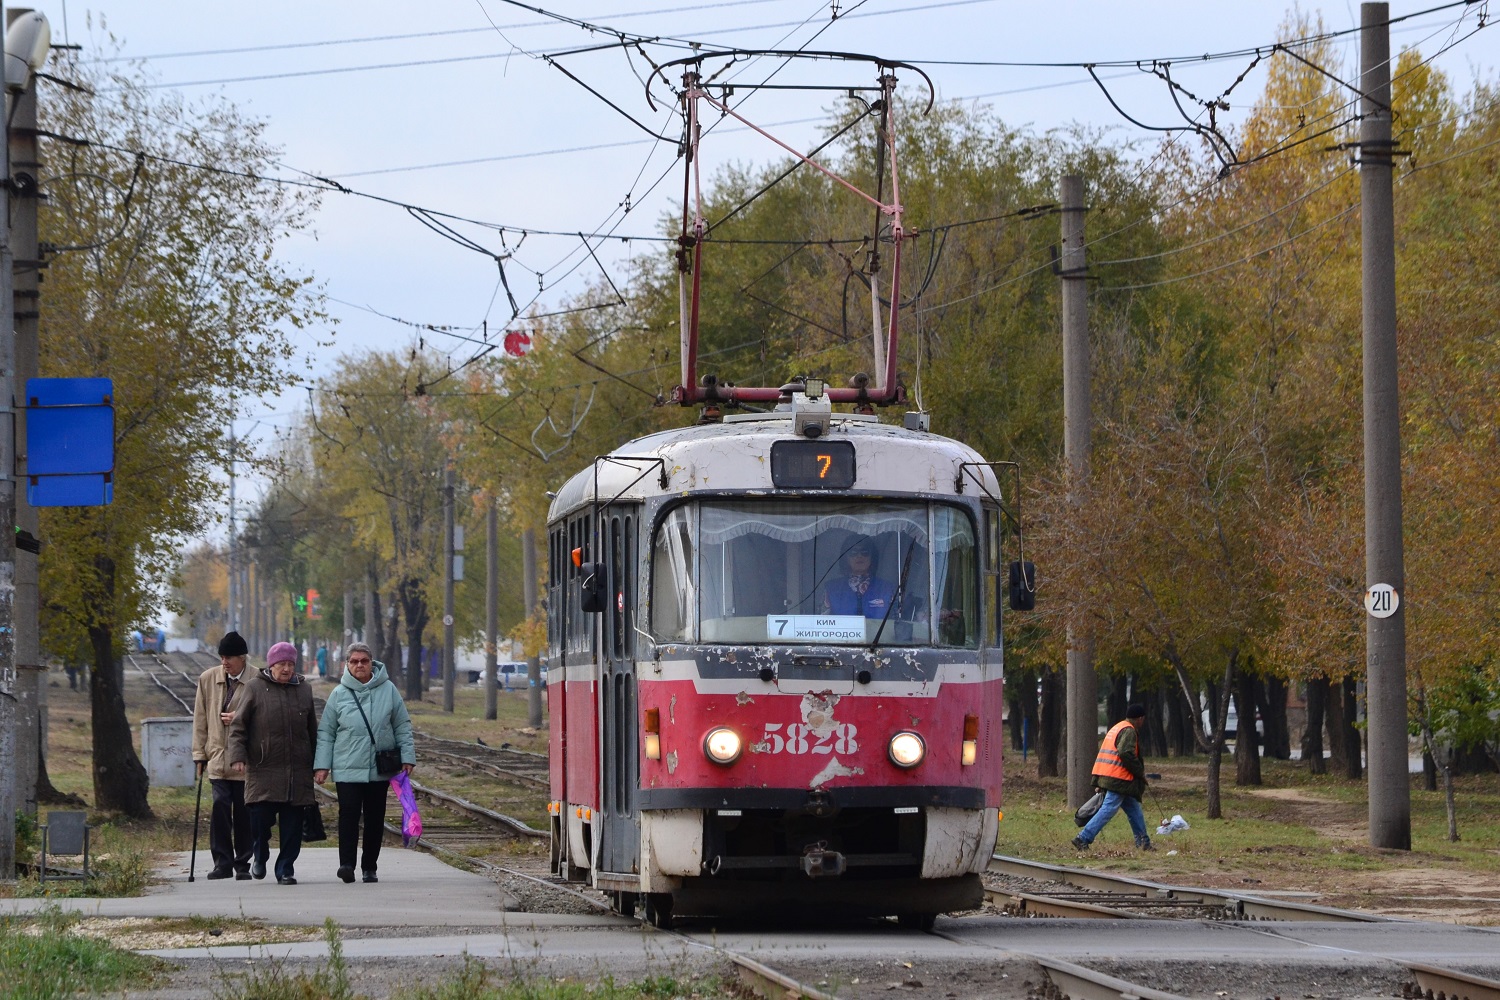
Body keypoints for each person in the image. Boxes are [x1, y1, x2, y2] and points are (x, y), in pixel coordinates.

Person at [313, 642, 415, 884]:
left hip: (379, 768)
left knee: (374, 817)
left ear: (372, 663)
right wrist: (322, 765)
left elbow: (402, 724)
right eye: (354, 661)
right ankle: (346, 864)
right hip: (347, 766)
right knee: (348, 814)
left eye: (364, 661)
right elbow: (327, 732)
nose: (359, 665)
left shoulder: (388, 690)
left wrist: (408, 756)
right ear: (347, 665)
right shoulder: (338, 694)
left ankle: (370, 867)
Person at [227, 641, 317, 884]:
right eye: (281, 664)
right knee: (259, 821)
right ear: (271, 665)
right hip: (263, 768)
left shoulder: (304, 689)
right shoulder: (254, 688)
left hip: (296, 771)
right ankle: (260, 853)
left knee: (292, 827)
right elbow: (238, 726)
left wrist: (319, 764)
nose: (286, 669)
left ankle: (285, 869)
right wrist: (237, 756)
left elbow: (312, 731)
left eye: (290, 664)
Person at [190, 631, 254, 880]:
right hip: (217, 756)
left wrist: (240, 718)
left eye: (229, 658)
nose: (224, 662)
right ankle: (222, 863)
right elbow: (200, 719)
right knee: (219, 807)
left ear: (242, 658)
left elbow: (264, 718)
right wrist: (199, 755)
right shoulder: (208, 679)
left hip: (244, 760)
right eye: (222, 657)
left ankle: (243, 863)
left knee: (244, 812)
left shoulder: (257, 679)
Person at [1072, 703, 1153, 851]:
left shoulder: (1118, 727)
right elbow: (1125, 753)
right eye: (1143, 719)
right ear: (1140, 718)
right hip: (1119, 779)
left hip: (1110, 775)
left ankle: (1143, 843)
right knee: (1108, 809)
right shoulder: (1129, 731)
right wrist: (1139, 772)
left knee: (1134, 809)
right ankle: (1083, 837)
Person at [823, 536, 896, 618]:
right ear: (845, 558)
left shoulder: (887, 589)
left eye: (865, 552)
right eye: (853, 552)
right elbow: (820, 624)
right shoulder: (831, 589)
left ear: (872, 557)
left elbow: (894, 623)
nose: (859, 556)